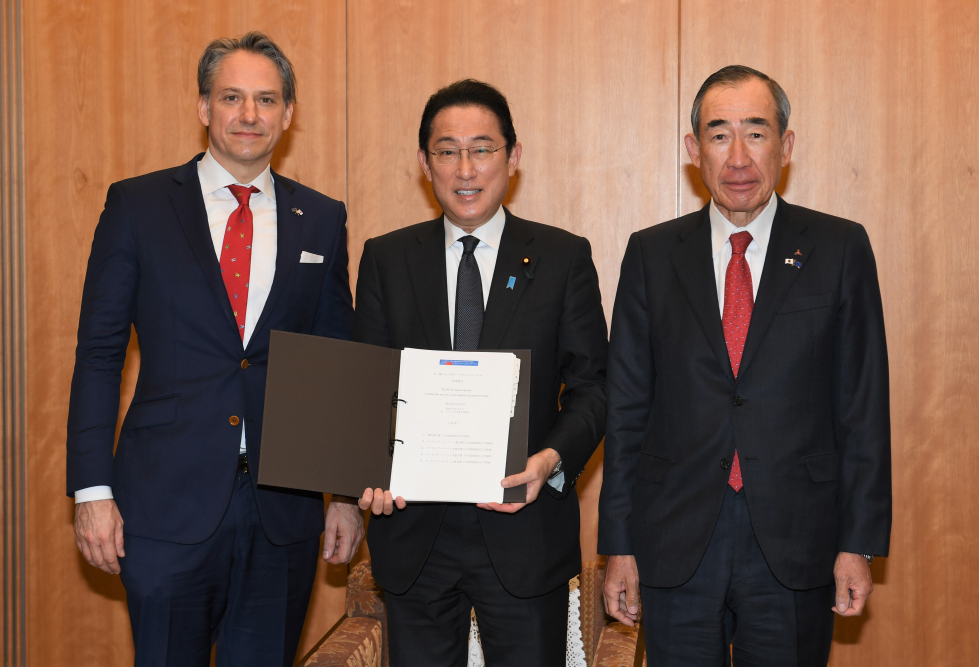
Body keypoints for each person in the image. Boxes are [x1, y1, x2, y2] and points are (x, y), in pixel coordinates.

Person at [66, 32, 363, 666]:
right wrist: (92, 491)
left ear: (288, 115)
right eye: (232, 97)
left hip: (281, 513)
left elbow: (336, 359)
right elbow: (98, 355)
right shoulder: (138, 206)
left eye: (266, 99)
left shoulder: (324, 218)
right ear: (204, 108)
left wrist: (341, 493)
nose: (249, 115)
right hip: (162, 506)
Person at [599, 65, 892, 666]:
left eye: (756, 133)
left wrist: (857, 542)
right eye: (719, 134)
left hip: (797, 540)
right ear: (693, 150)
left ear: (786, 145)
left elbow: (864, 406)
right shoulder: (651, 254)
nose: (738, 156)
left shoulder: (839, 248)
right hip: (676, 539)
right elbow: (626, 410)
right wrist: (618, 547)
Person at [353, 79, 608, 666]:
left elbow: (595, 388)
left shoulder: (563, 258)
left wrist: (549, 461)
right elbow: (367, 390)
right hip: (413, 537)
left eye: (482, 148)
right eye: (446, 151)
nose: (465, 168)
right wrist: (365, 472)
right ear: (425, 163)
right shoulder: (387, 259)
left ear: (512, 158)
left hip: (524, 533)